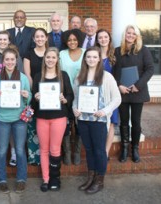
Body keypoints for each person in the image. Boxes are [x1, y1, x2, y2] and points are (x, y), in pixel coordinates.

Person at [73, 46, 121, 194]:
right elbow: (76, 98)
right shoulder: (80, 76)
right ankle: (91, 177)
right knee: (88, 149)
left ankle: (99, 181)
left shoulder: (107, 76)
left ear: (99, 59)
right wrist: (75, 109)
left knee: (99, 150)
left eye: (94, 57)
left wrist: (105, 111)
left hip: (99, 120)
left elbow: (117, 98)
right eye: (88, 57)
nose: (91, 59)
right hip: (83, 119)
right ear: (85, 59)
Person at [32, 47, 74, 192]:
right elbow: (32, 100)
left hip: (59, 117)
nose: (50, 60)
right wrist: (35, 98)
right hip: (42, 118)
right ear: (44, 59)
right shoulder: (38, 76)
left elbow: (70, 95)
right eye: (47, 57)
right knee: (43, 150)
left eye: (53, 57)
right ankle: (46, 179)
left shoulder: (63, 75)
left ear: (57, 60)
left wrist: (64, 99)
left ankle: (55, 178)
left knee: (55, 149)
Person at [0, 47, 31, 194]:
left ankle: (21, 179)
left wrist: (27, 95)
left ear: (16, 61)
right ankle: (1, 180)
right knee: (2, 150)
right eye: (6, 59)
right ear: (3, 61)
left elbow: (28, 99)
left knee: (20, 150)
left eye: (12, 59)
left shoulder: (23, 78)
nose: (9, 62)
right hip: (3, 119)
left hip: (20, 118)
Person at [113, 25, 154, 163]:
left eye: (133, 33)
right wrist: (119, 86)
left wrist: (138, 85)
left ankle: (134, 148)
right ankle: (124, 149)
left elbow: (150, 69)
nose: (130, 35)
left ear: (137, 36)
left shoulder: (143, 50)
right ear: (124, 35)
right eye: (128, 33)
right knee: (124, 121)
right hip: (123, 92)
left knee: (136, 122)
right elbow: (114, 71)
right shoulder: (118, 51)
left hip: (138, 92)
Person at [0, 31, 23, 166]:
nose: (2, 41)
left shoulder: (16, 56)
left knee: (13, 126)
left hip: (14, 99)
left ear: (9, 41)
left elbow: (21, 75)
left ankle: (13, 154)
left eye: (5, 39)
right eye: (0, 39)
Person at [59, 29, 85, 165]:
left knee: (79, 123)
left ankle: (77, 152)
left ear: (79, 40)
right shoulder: (61, 54)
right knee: (67, 123)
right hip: (66, 93)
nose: (72, 42)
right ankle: (67, 152)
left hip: (82, 93)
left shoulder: (86, 52)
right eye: (69, 40)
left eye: (75, 40)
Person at [23, 28, 48, 165]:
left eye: (42, 36)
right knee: (32, 126)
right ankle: (34, 157)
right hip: (33, 93)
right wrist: (33, 93)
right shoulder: (28, 54)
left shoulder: (51, 53)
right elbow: (28, 75)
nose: (39, 39)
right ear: (33, 39)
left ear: (46, 38)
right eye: (37, 37)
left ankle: (47, 156)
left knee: (45, 124)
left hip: (49, 94)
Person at [95, 29, 118, 159]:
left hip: (111, 93)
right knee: (100, 122)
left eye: (105, 37)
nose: (103, 39)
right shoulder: (95, 54)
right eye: (100, 37)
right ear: (97, 40)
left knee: (111, 122)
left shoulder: (115, 54)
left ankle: (106, 151)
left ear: (109, 38)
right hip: (97, 93)